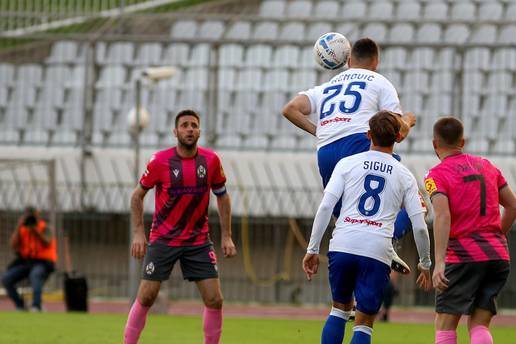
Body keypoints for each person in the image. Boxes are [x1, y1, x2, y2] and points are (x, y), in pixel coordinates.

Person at [283, 37, 417, 273]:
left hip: (326, 151)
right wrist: (407, 119)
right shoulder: (379, 81)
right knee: (415, 199)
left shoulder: (327, 86)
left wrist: (320, 131)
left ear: (349, 60)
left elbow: (290, 109)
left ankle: (347, 284)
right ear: (375, 61)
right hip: (359, 143)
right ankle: (387, 241)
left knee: (346, 218)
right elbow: (399, 131)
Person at [303, 111, 432, 344]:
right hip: (377, 249)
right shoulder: (405, 175)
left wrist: (312, 249)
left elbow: (325, 207)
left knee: (339, 310)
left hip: (343, 243)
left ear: (368, 134)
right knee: (364, 322)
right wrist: (425, 263)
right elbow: (420, 226)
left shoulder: (346, 164)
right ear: (397, 137)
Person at [123, 109, 237, 344]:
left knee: (215, 300)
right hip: (164, 239)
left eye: (194, 125)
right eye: (184, 125)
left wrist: (227, 236)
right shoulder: (159, 161)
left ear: (199, 131)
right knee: (146, 296)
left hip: (198, 241)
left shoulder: (211, 161)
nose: (190, 129)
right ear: (175, 132)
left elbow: (223, 196)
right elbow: (137, 196)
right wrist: (138, 233)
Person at [425, 117, 516, 344]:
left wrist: (439, 262)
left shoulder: (434, 176)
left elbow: (443, 216)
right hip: (497, 255)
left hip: (463, 255)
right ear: (462, 141)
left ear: (435, 144)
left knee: (445, 324)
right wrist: (497, 237)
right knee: (479, 324)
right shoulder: (488, 166)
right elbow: (513, 206)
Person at [1, 206, 57, 312]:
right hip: (26, 262)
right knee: (6, 278)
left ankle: (36, 306)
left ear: (37, 215)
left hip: (43, 262)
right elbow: (13, 244)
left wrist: (36, 231)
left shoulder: (45, 227)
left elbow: (47, 242)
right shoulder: (22, 228)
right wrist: (18, 226)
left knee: (35, 275)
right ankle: (20, 305)